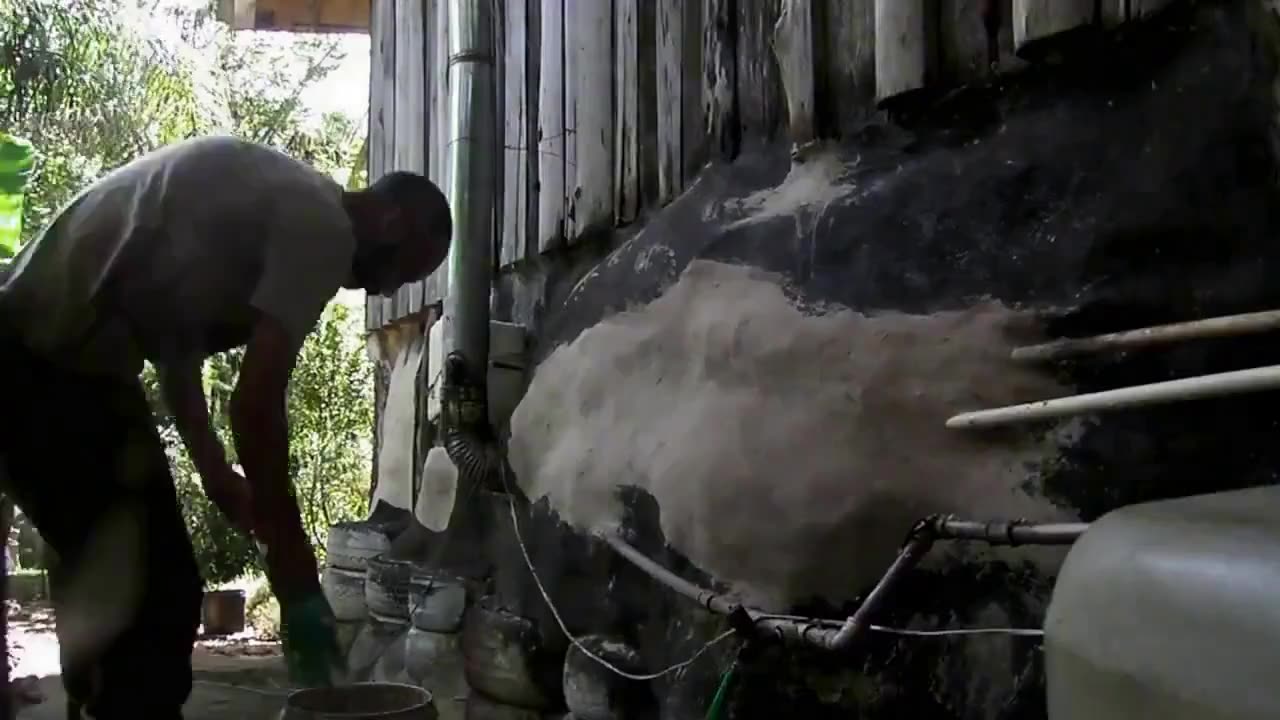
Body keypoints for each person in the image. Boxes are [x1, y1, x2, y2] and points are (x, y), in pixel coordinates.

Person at [0, 135, 452, 718]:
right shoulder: (325, 228)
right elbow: (255, 406)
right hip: (42, 365)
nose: (388, 290)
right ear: (391, 219)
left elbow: (175, 352)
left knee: (106, 582)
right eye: (406, 267)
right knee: (156, 598)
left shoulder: (280, 203)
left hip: (53, 363)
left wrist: (216, 473)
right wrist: (295, 576)